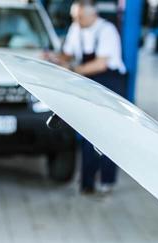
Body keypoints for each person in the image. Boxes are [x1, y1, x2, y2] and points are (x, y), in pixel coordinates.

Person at [45, 0, 127, 195]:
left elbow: (101, 64)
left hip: (110, 84)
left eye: (80, 17)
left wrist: (73, 69)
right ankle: (87, 183)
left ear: (92, 15)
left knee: (108, 134)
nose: (77, 20)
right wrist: (54, 58)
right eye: (75, 17)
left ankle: (107, 180)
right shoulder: (76, 28)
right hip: (89, 83)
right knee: (89, 132)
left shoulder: (107, 31)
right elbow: (68, 53)